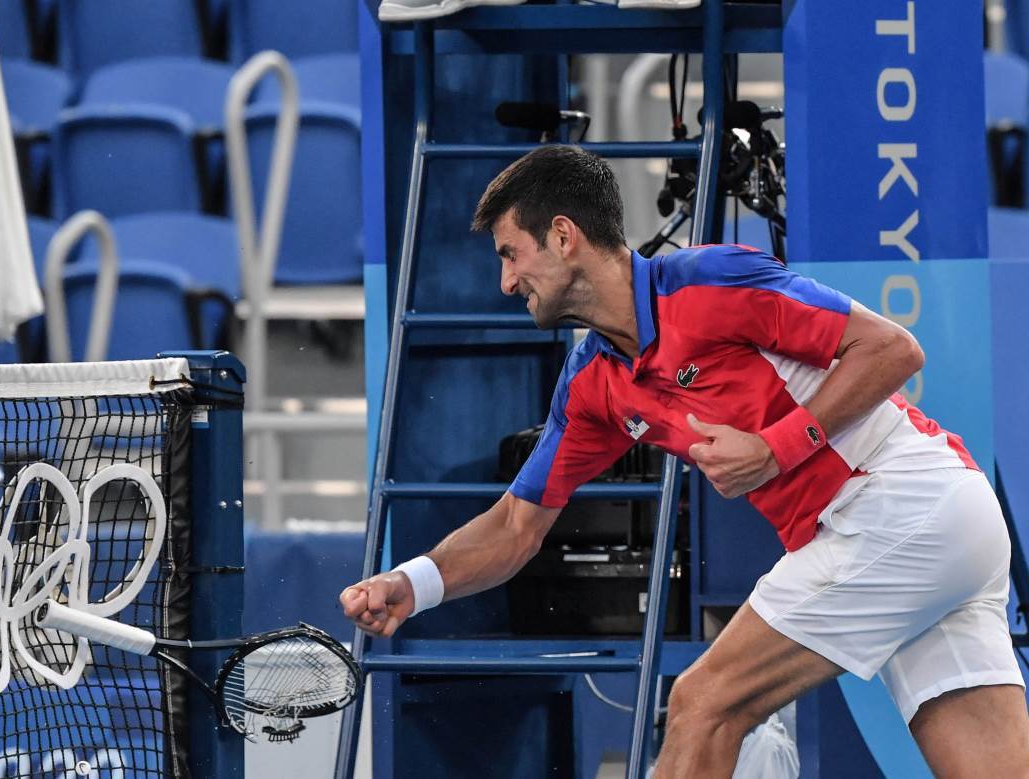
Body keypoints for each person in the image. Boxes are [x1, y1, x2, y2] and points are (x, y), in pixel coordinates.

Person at [341, 145, 1029, 776]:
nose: (505, 280)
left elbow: (894, 351)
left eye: (510, 253)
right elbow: (517, 526)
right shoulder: (592, 385)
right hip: (947, 531)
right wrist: (416, 581)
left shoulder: (711, 282)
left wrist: (775, 447)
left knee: (703, 703)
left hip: (897, 503)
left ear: (562, 234)